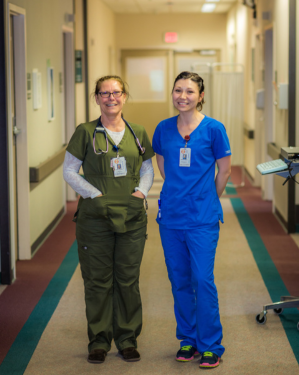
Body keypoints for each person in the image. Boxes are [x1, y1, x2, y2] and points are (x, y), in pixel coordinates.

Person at [63, 75, 155, 364]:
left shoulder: (138, 131)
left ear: (125, 96)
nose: (111, 98)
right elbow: (69, 171)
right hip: (95, 218)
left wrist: (140, 192)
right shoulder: (85, 131)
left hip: (131, 215)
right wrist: (94, 195)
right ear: (97, 98)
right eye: (104, 93)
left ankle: (127, 338)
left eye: (116, 92)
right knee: (97, 281)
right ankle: (99, 340)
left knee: (128, 279)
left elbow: (148, 168)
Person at [152, 71, 231, 369]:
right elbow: (163, 165)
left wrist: (207, 198)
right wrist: (179, 193)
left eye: (189, 91)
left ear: (200, 96)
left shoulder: (214, 129)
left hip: (202, 218)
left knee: (202, 279)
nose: (182, 96)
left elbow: (224, 171)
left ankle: (211, 344)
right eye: (177, 90)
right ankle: (187, 339)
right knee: (179, 279)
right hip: (171, 216)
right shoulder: (163, 128)